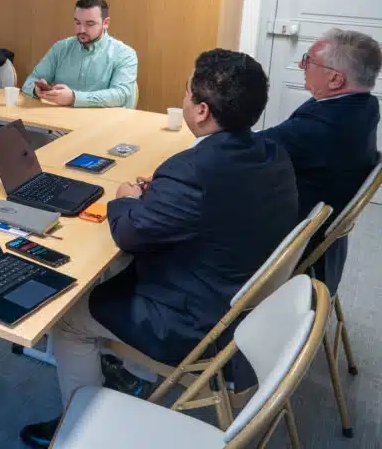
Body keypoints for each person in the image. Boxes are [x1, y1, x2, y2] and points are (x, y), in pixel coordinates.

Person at [20, 49, 298, 447]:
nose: (182, 96)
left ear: (201, 111)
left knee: (68, 320)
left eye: (186, 91)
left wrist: (125, 198)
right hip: (240, 294)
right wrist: (166, 195)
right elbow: (213, 205)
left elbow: (128, 233)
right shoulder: (271, 151)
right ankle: (135, 374)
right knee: (115, 271)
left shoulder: (192, 170)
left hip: (195, 322)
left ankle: (78, 427)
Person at [259, 29, 381, 293]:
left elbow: (249, 150)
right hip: (322, 218)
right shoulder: (366, 106)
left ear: (336, 79)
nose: (301, 66)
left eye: (309, 60)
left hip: (290, 233)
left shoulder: (319, 127)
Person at [22, 0, 138, 108]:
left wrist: (74, 98)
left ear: (105, 23)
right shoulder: (61, 48)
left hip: (104, 120)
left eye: (90, 24)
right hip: (60, 118)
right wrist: (36, 90)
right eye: (77, 23)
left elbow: (121, 95)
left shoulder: (124, 54)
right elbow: (30, 82)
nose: (81, 30)